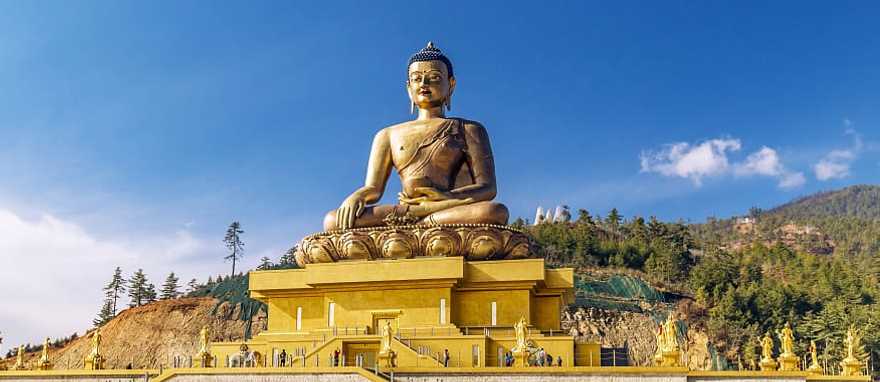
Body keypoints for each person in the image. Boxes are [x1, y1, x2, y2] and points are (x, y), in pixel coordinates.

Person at [324, 42, 509, 230]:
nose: (424, 84)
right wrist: (358, 196)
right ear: (408, 87)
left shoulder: (468, 129)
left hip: (449, 208)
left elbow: (488, 188)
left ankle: (414, 225)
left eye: (434, 77)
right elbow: (374, 189)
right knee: (332, 221)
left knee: (493, 212)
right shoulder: (388, 134)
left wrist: (446, 198)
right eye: (417, 79)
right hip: (406, 210)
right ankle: (419, 223)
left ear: (451, 85)